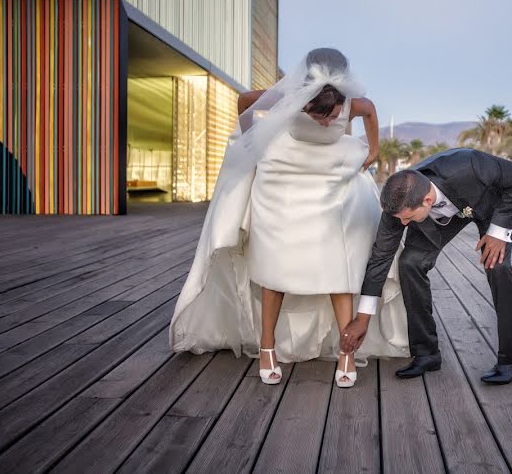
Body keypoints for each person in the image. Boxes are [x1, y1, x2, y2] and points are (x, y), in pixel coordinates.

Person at [169, 48, 408, 388]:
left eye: (332, 116)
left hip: (331, 178)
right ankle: (267, 347)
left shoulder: (356, 103)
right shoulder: (286, 96)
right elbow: (245, 101)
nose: (326, 122)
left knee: (337, 267)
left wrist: (373, 151)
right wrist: (253, 142)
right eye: (317, 115)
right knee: (274, 267)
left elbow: (370, 115)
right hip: (283, 177)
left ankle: (347, 350)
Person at [341, 148, 512, 384]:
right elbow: (380, 258)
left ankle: (510, 361)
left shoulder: (470, 165)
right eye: (400, 219)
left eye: (407, 219)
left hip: (489, 204)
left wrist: (499, 232)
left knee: (499, 268)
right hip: (436, 214)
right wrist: (363, 318)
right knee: (410, 263)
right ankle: (426, 353)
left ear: (427, 200)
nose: (402, 224)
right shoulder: (399, 207)